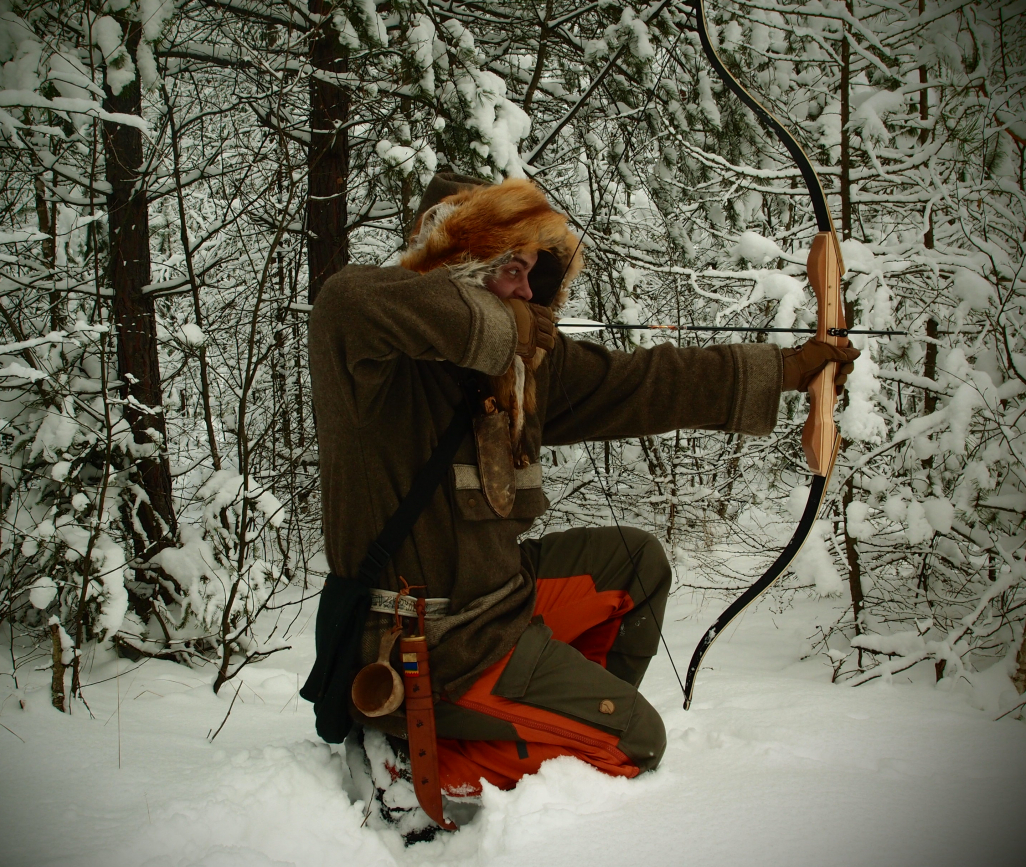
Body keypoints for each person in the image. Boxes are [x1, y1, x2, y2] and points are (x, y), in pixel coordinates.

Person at [307, 172, 857, 812]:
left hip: (499, 604)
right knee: (636, 740)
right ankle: (415, 764)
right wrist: (502, 330)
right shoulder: (374, 363)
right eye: (510, 267)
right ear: (457, 262)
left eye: (532, 272)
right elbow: (348, 300)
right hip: (433, 644)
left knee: (636, 565)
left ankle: (550, 724)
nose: (525, 288)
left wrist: (783, 371)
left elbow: (647, 382)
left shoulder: (521, 373)